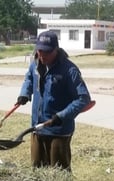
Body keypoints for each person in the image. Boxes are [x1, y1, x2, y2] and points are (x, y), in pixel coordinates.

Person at [17, 30, 91, 170]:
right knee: (37, 172)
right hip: (37, 128)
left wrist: (61, 116)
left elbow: (83, 99)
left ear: (56, 50)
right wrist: (25, 93)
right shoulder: (35, 64)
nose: (42, 55)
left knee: (59, 175)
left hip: (58, 131)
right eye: (40, 51)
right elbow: (30, 78)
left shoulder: (69, 70)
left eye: (47, 52)